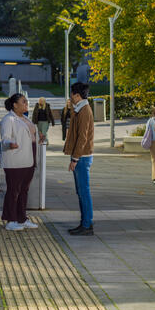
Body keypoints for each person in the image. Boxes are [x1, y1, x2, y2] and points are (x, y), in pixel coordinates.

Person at [0, 93, 40, 231]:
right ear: (15, 105)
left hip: (29, 160)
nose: (26, 104)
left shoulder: (25, 118)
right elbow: (5, 138)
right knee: (13, 190)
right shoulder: (8, 119)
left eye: (26, 102)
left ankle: (22, 219)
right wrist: (10, 143)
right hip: (15, 161)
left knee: (24, 190)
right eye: (23, 102)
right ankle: (11, 220)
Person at [63, 82, 95, 236]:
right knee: (81, 192)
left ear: (77, 95)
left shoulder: (84, 111)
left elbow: (82, 137)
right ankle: (85, 223)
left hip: (82, 157)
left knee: (84, 192)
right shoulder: (80, 109)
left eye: (72, 95)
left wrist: (75, 159)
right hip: (81, 156)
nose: (70, 97)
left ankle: (87, 224)